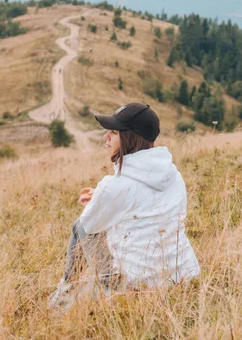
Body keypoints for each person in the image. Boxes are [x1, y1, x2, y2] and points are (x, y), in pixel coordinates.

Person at [48, 102, 200, 310]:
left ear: (130, 137)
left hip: (137, 287)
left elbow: (85, 227)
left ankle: (64, 290)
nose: (106, 137)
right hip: (182, 276)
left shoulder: (114, 187)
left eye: (113, 132)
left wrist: (101, 198)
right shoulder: (173, 176)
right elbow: (146, 207)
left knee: (80, 226)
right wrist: (100, 198)